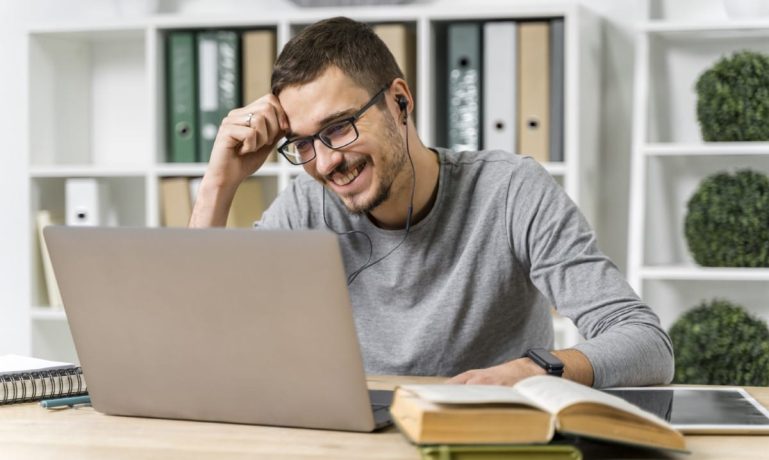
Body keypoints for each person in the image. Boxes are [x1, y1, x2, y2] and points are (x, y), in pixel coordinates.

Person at [190, 16, 674, 388]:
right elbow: (202, 331)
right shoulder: (306, 206)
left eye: (339, 127)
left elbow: (646, 343)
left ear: (399, 101)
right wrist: (218, 184)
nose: (325, 163)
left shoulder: (510, 191)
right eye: (305, 143)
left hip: (484, 437)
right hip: (357, 439)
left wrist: (535, 372)